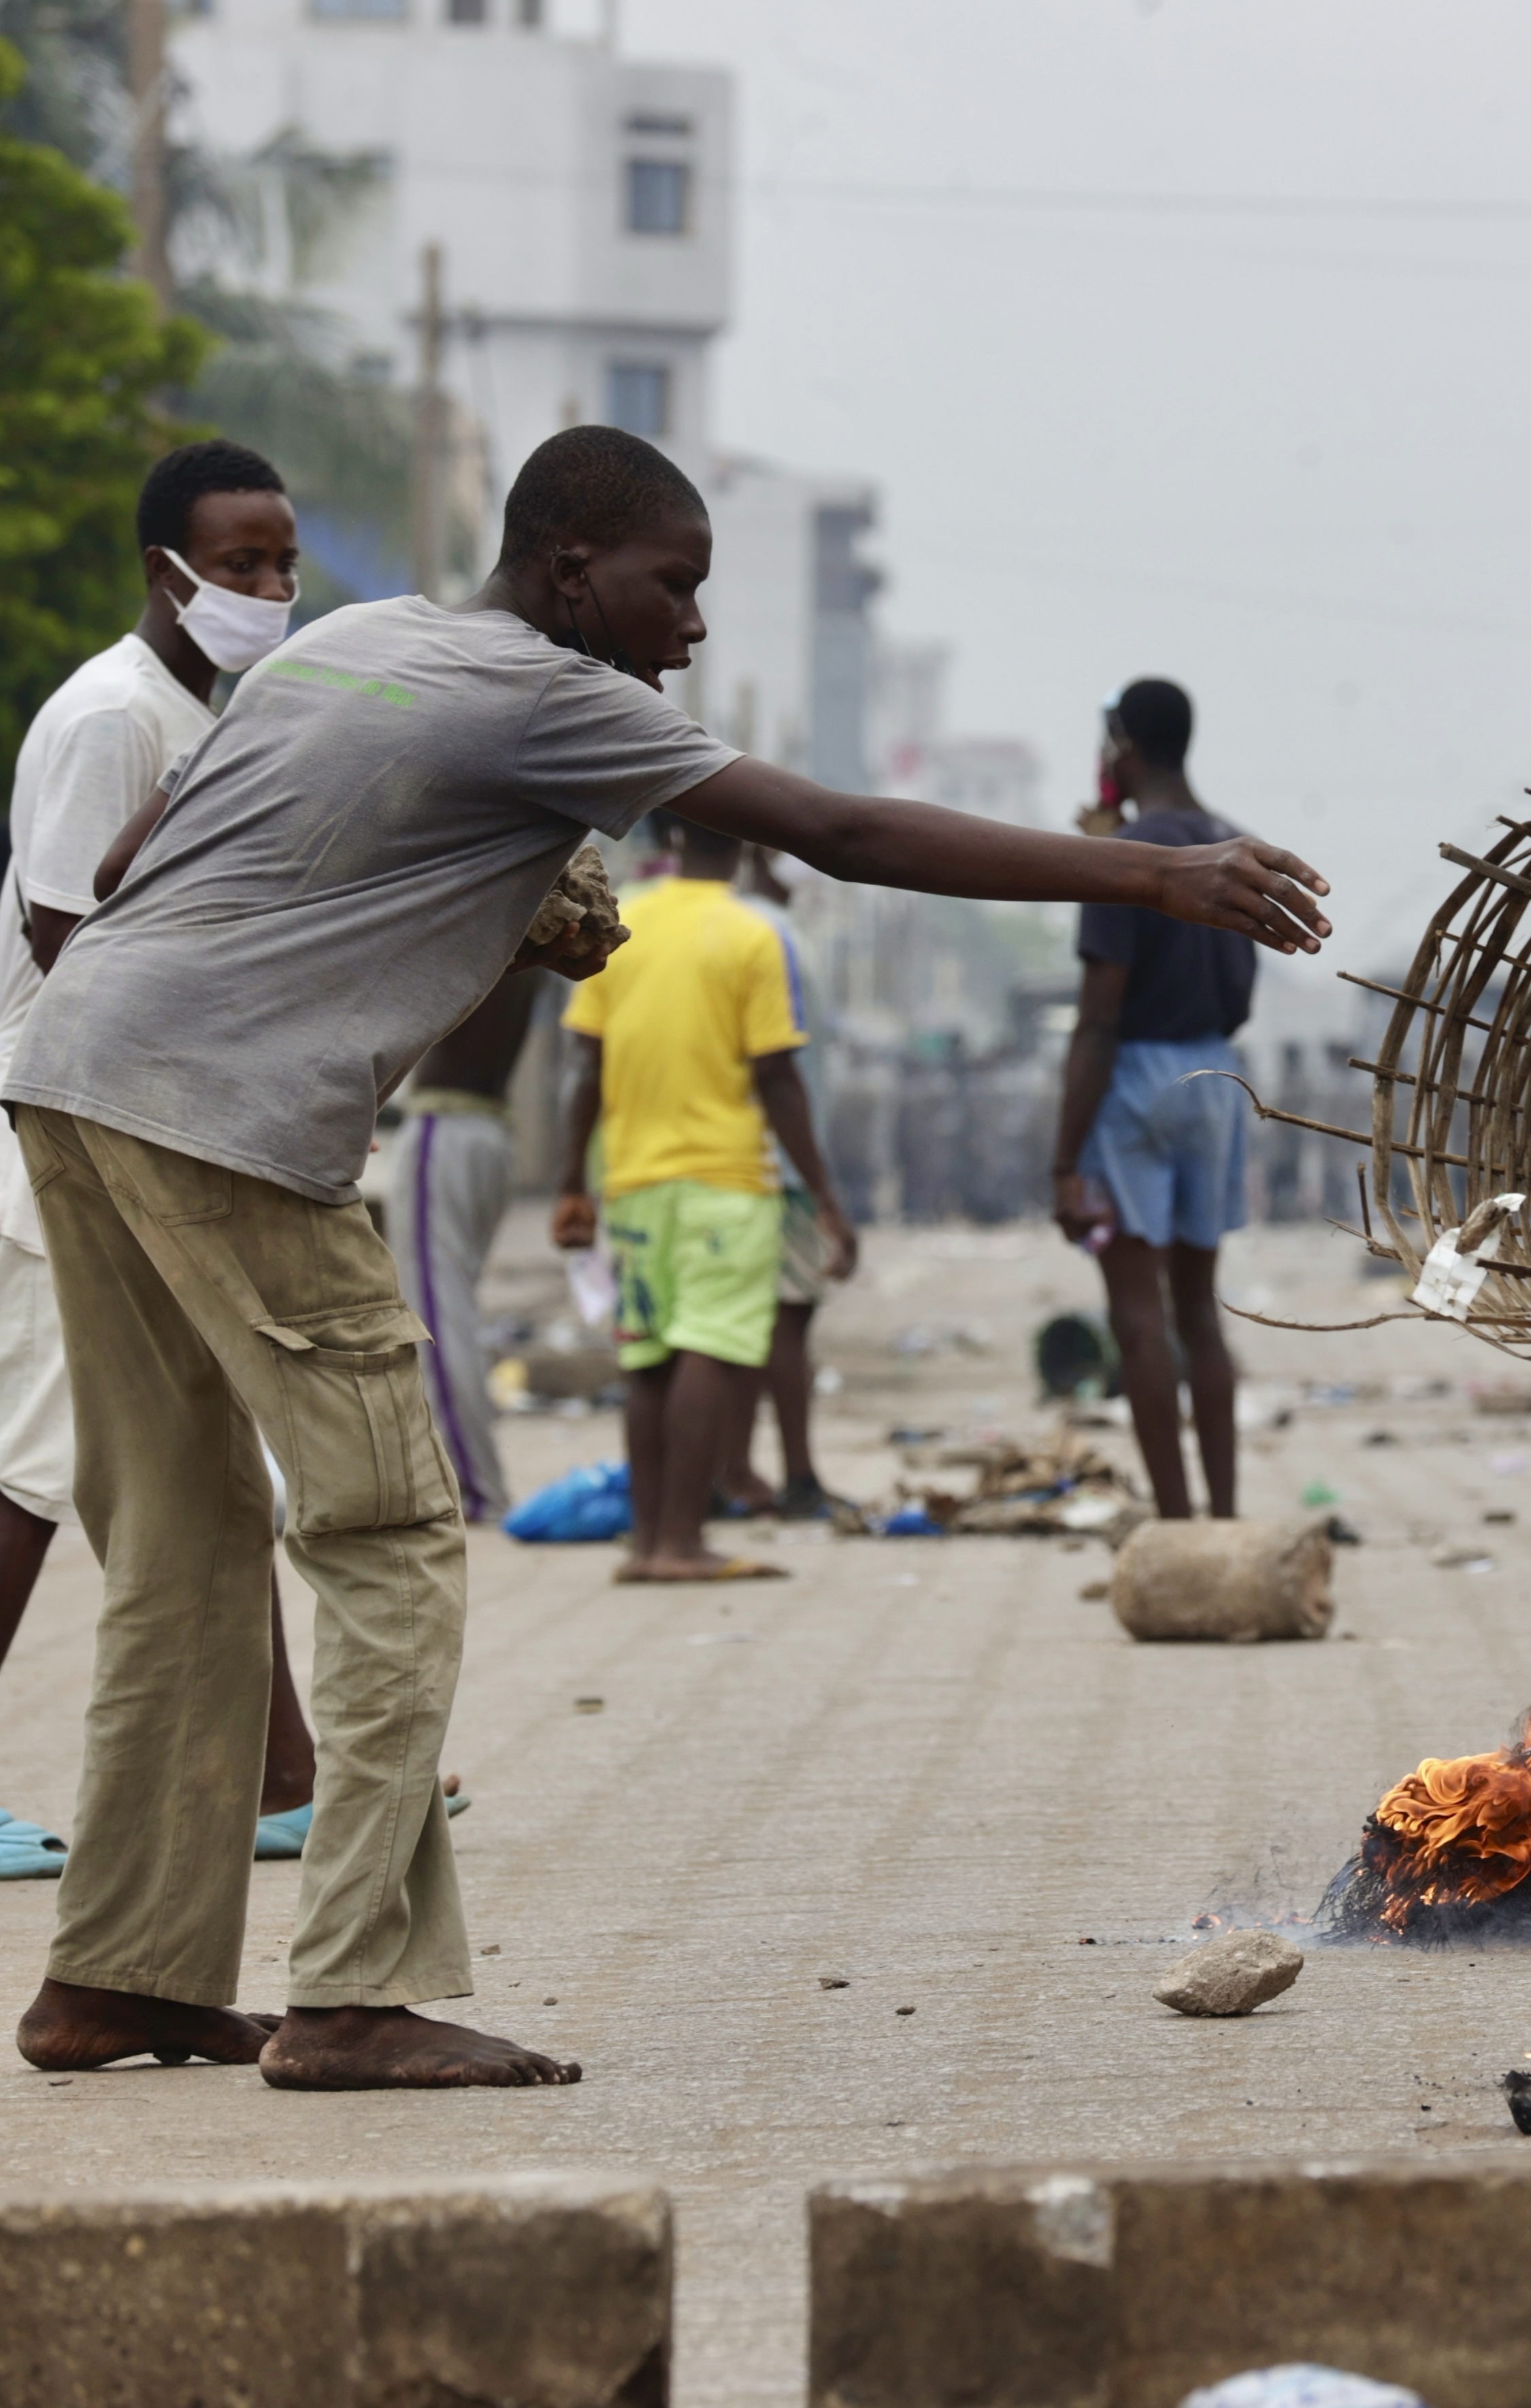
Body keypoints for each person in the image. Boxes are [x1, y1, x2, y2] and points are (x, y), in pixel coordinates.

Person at [5, 424, 1332, 2090]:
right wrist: (1166, 871)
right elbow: (844, 830)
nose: (690, 629)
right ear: (572, 570)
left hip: (69, 1073)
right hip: (225, 1120)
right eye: (672, 586)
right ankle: (350, 1995)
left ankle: (118, 1977)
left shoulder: (356, 639)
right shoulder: (549, 692)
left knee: (189, 1541)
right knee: (392, 1533)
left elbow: (128, 867)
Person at [0, 441, 321, 1880]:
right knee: (35, 1469)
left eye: (282, 564)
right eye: (240, 566)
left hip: (160, 1136)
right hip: (66, 1139)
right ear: (165, 572)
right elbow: (68, 940)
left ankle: (282, 1772)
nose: (269, 590)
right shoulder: (111, 721)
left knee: (208, 1452)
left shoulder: (210, 718)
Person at [553, 808, 856, 1583]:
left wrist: (570, 1184)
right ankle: (683, 1542)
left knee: (648, 1357)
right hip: (727, 1180)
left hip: (633, 1181)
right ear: (748, 843)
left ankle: (648, 1542)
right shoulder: (753, 935)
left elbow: (585, 1067)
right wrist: (825, 1194)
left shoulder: (626, 925)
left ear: (668, 838)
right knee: (712, 1349)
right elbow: (777, 1075)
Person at [1049, 678, 1257, 1521]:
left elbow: (1098, 1019)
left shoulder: (1124, 858)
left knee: (1137, 1313)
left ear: (1121, 748)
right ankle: (1226, 1513)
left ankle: (1175, 1521)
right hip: (1214, 1078)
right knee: (1198, 1309)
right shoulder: (1235, 848)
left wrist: (1064, 1161)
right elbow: (1242, 995)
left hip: (1133, 1076)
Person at [718, 847, 846, 1523]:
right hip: (778, 1160)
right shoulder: (767, 933)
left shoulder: (757, 926)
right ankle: (788, 1476)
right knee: (786, 1320)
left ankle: (739, 1470)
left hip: (762, 1157)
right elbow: (777, 1067)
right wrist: (823, 1189)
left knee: (758, 1323)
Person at [397, 974, 542, 1525]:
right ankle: (470, 1478)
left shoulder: (478, 906)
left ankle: (473, 1487)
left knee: (436, 1317)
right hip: (485, 1127)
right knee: (448, 1312)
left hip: (448, 1127)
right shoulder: (529, 911)